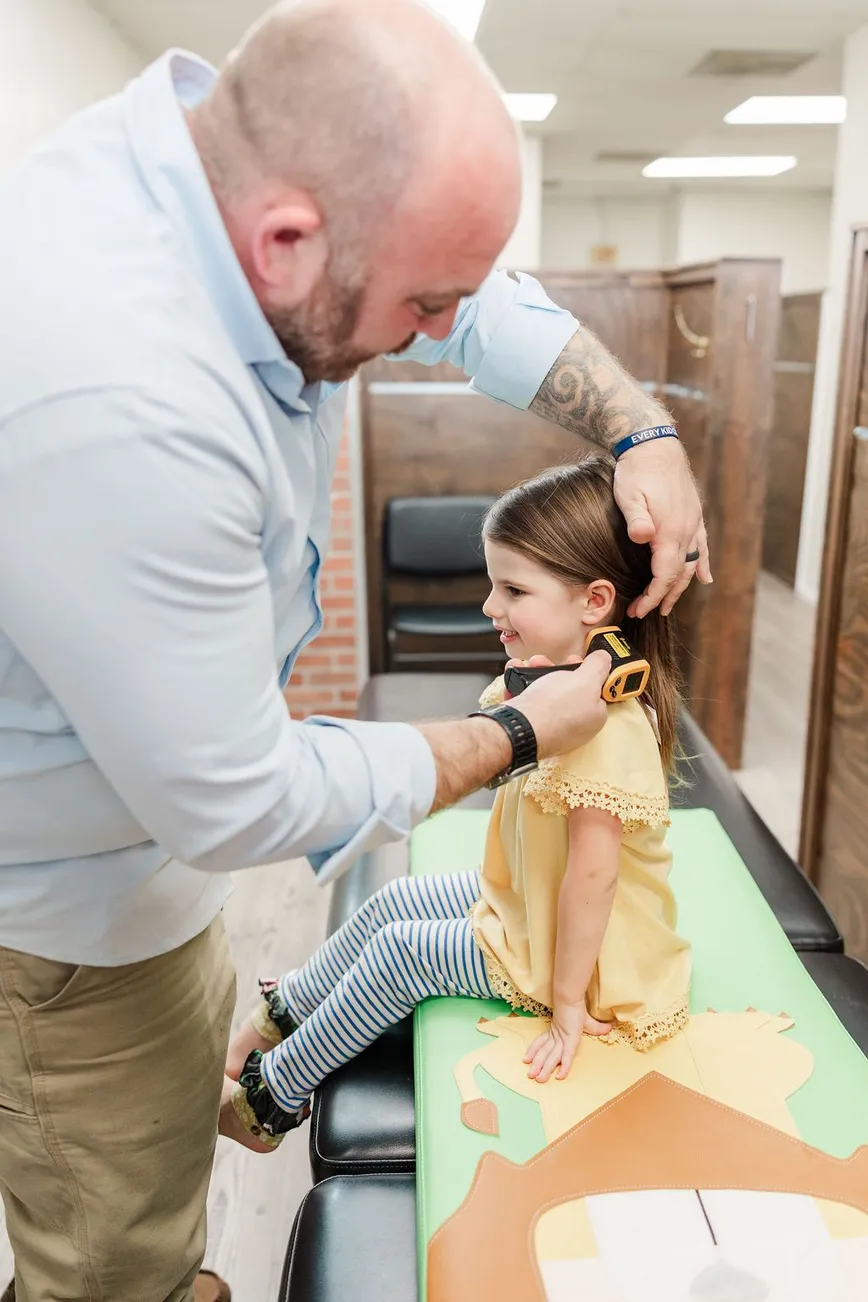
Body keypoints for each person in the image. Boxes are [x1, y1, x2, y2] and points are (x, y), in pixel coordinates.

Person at [0, 1, 709, 1298]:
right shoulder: (106, 398)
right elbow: (230, 792)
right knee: (109, 1255)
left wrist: (639, 428)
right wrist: (508, 734)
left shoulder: (246, 194)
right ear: (286, 245)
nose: (440, 331)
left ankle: (235, 1117)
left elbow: (472, 303)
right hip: (57, 912)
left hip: (153, 876)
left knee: (168, 1177)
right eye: (422, 306)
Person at [220, 455, 692, 1149]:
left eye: (512, 590)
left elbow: (593, 880)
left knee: (404, 952)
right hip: (530, 905)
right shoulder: (549, 687)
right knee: (390, 904)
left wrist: (565, 1007)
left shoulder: (610, 729)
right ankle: (270, 1021)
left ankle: (271, 1102)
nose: (489, 607)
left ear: (594, 603)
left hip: (582, 957)